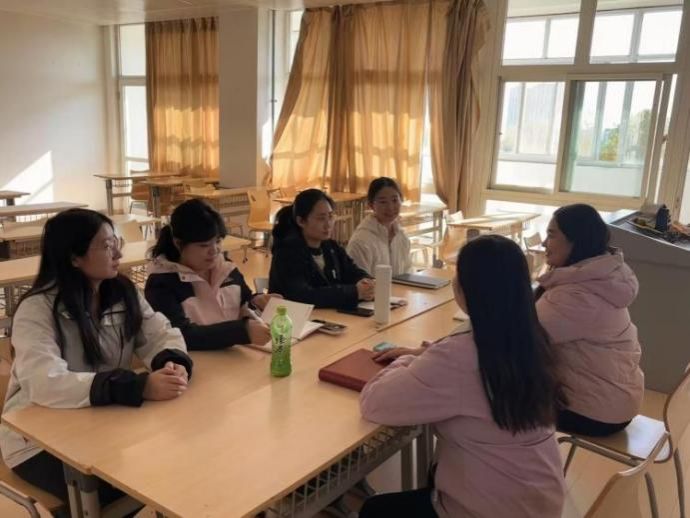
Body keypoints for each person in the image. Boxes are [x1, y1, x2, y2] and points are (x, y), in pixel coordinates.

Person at [359, 235, 565, 518]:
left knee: (374, 510)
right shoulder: (532, 340)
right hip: (537, 501)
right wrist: (430, 357)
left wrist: (407, 360)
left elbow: (374, 402)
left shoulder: (459, 356)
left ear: (467, 290)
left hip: (486, 508)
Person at [0, 209, 192, 510]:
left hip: (103, 419)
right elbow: (45, 382)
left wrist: (171, 361)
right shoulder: (37, 309)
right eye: (106, 245)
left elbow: (159, 334)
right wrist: (136, 386)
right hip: (37, 441)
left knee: (172, 459)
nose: (118, 252)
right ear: (74, 257)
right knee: (132, 482)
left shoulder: (122, 292)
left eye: (116, 241)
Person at [537, 203, 643, 436]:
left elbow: (520, 338)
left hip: (594, 412)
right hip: (617, 400)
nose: (544, 243)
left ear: (576, 241)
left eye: (551, 235)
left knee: (495, 396)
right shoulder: (603, 276)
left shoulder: (577, 296)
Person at [145, 199, 280, 350]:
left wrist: (257, 300)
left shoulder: (225, 267)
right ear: (178, 243)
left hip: (233, 355)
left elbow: (244, 299)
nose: (214, 250)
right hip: (197, 360)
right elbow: (180, 334)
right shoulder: (162, 283)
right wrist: (242, 332)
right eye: (204, 245)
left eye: (218, 241)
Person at [269, 189, 374, 309]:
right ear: (301, 221)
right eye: (321, 218)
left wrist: (366, 282)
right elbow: (303, 296)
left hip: (329, 315)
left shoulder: (331, 247)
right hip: (293, 317)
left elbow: (352, 271)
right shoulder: (286, 252)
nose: (328, 224)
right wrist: (354, 292)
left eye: (330, 216)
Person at [347, 177, 411, 276]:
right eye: (383, 202)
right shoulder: (360, 241)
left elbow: (407, 273)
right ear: (371, 205)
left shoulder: (401, 236)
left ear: (401, 200)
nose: (390, 207)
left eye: (394, 200)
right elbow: (359, 281)